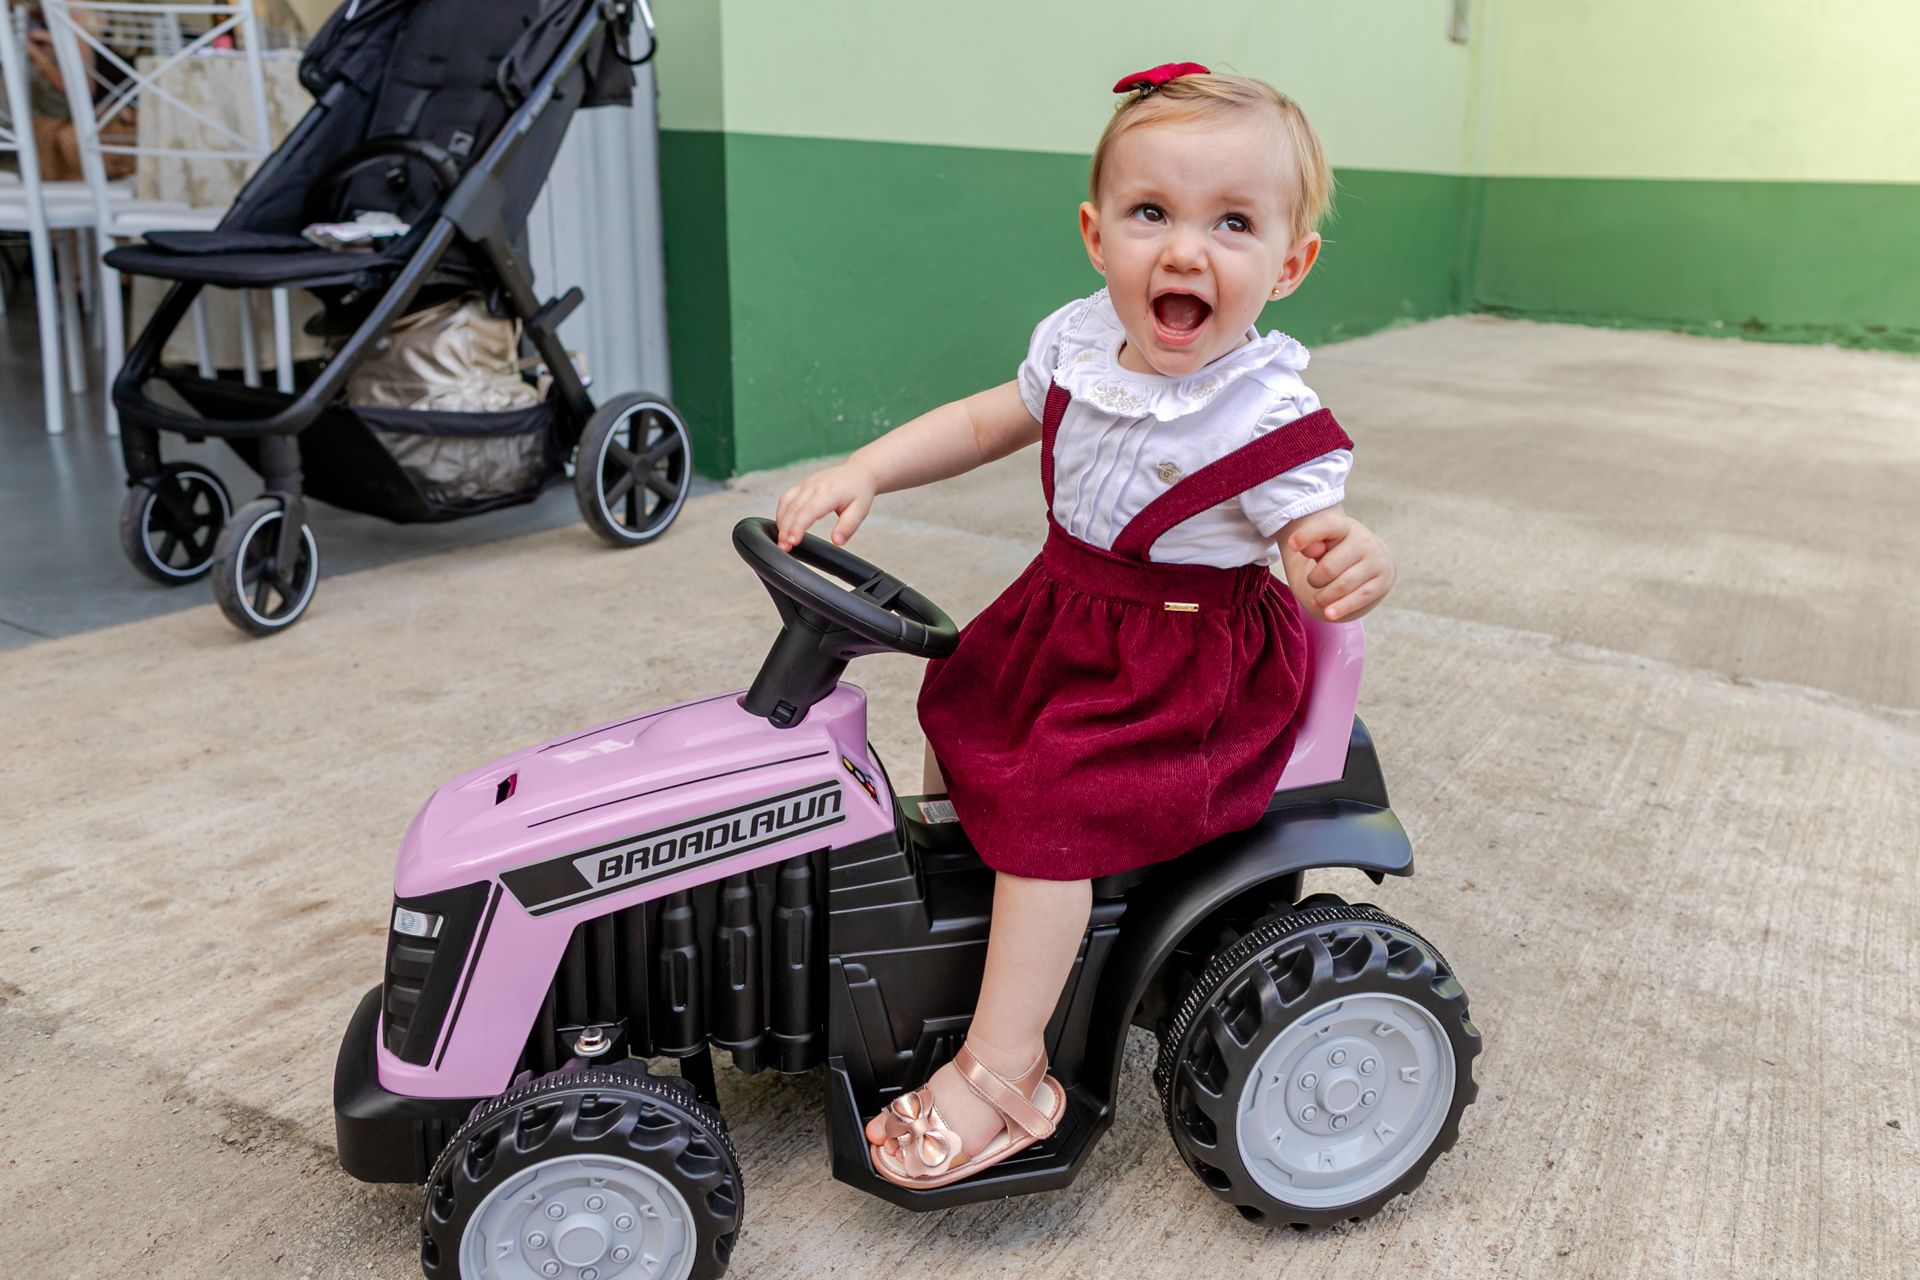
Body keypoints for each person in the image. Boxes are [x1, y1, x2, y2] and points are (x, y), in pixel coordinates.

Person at [773, 62, 1398, 1190]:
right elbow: (983, 421)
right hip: (1064, 611)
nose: (1185, 251)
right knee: (958, 698)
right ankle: (969, 922)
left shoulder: (1264, 411)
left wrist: (1345, 559)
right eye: (1152, 212)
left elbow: (1313, 544)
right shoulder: (1077, 344)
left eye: (1233, 223)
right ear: (1096, 235)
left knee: (1054, 803)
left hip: (1180, 664)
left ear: (1290, 264)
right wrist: (867, 468)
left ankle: (1007, 1071)